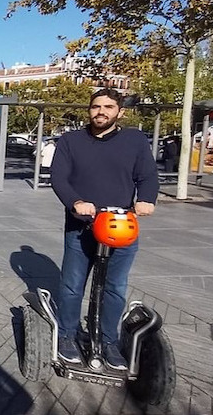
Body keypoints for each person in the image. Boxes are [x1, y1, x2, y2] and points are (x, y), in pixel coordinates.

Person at [50, 88, 159, 370]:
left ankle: (109, 341)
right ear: (89, 110)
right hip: (81, 225)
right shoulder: (71, 140)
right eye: (96, 107)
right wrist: (75, 201)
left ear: (119, 112)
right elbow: (59, 177)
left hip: (121, 225)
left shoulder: (134, 140)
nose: (101, 112)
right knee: (73, 285)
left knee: (114, 287)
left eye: (108, 107)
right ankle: (67, 335)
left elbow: (147, 175)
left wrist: (147, 199)